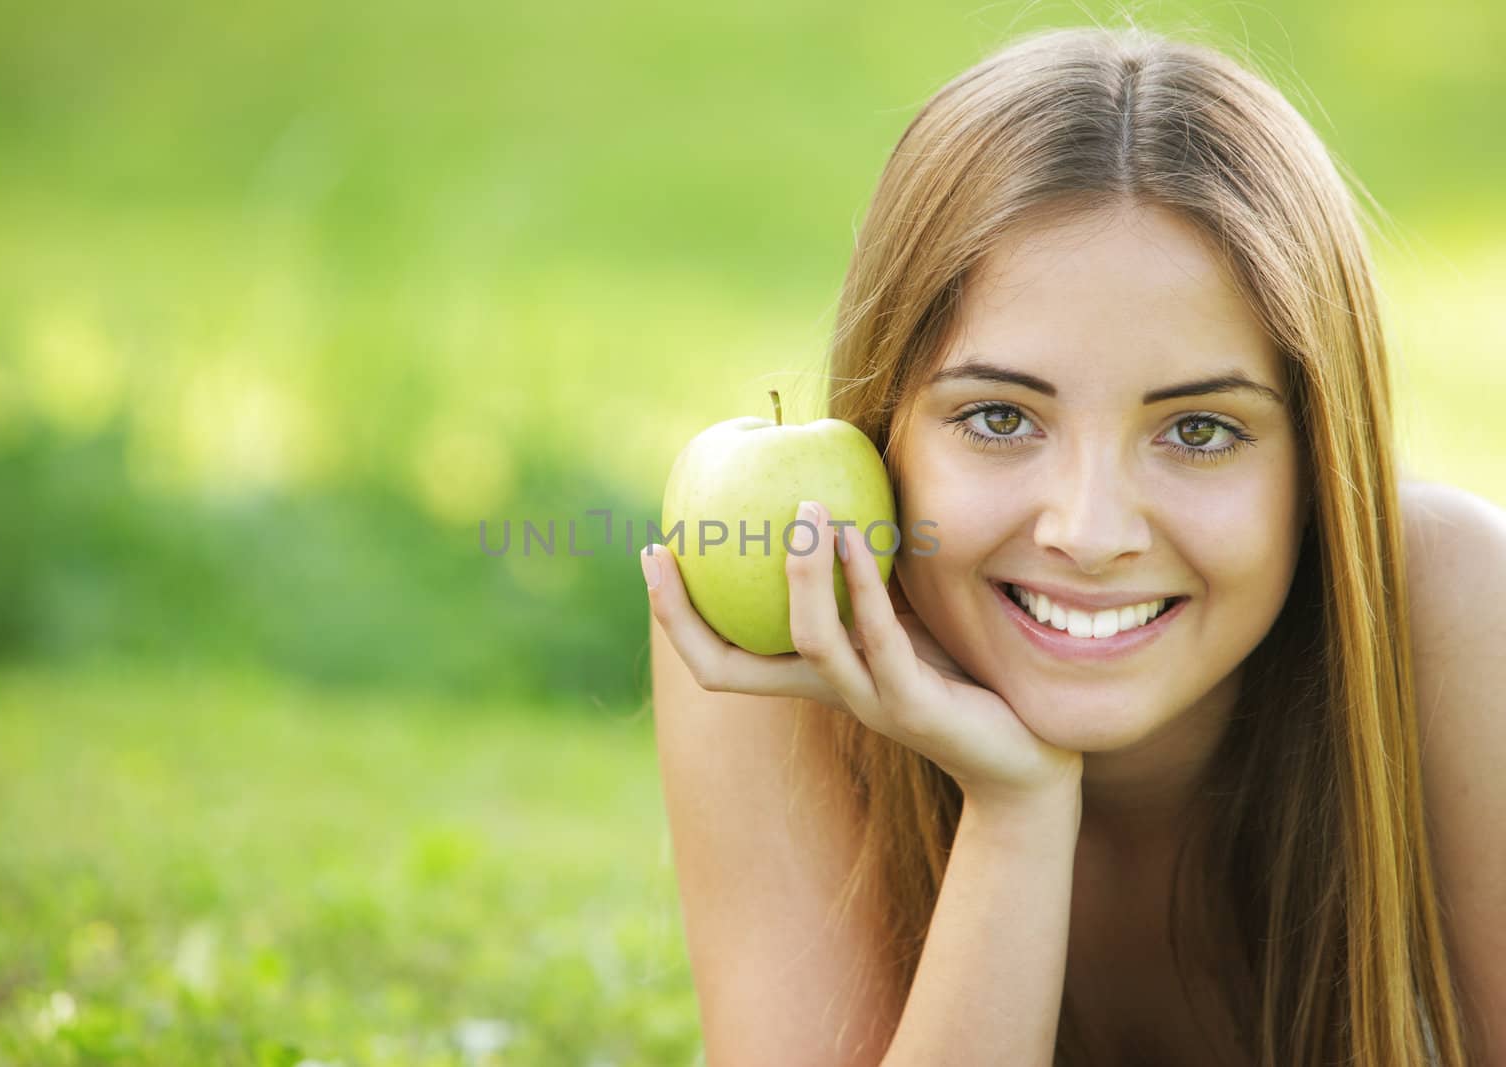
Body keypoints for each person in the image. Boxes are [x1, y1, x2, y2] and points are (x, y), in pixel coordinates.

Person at [637, 23, 1506, 1067]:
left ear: (1317, 461)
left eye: (1199, 430)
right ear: (881, 425)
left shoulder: (1457, 606)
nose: (1089, 532)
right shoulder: (791, 626)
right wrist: (1015, 809)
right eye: (1001, 418)